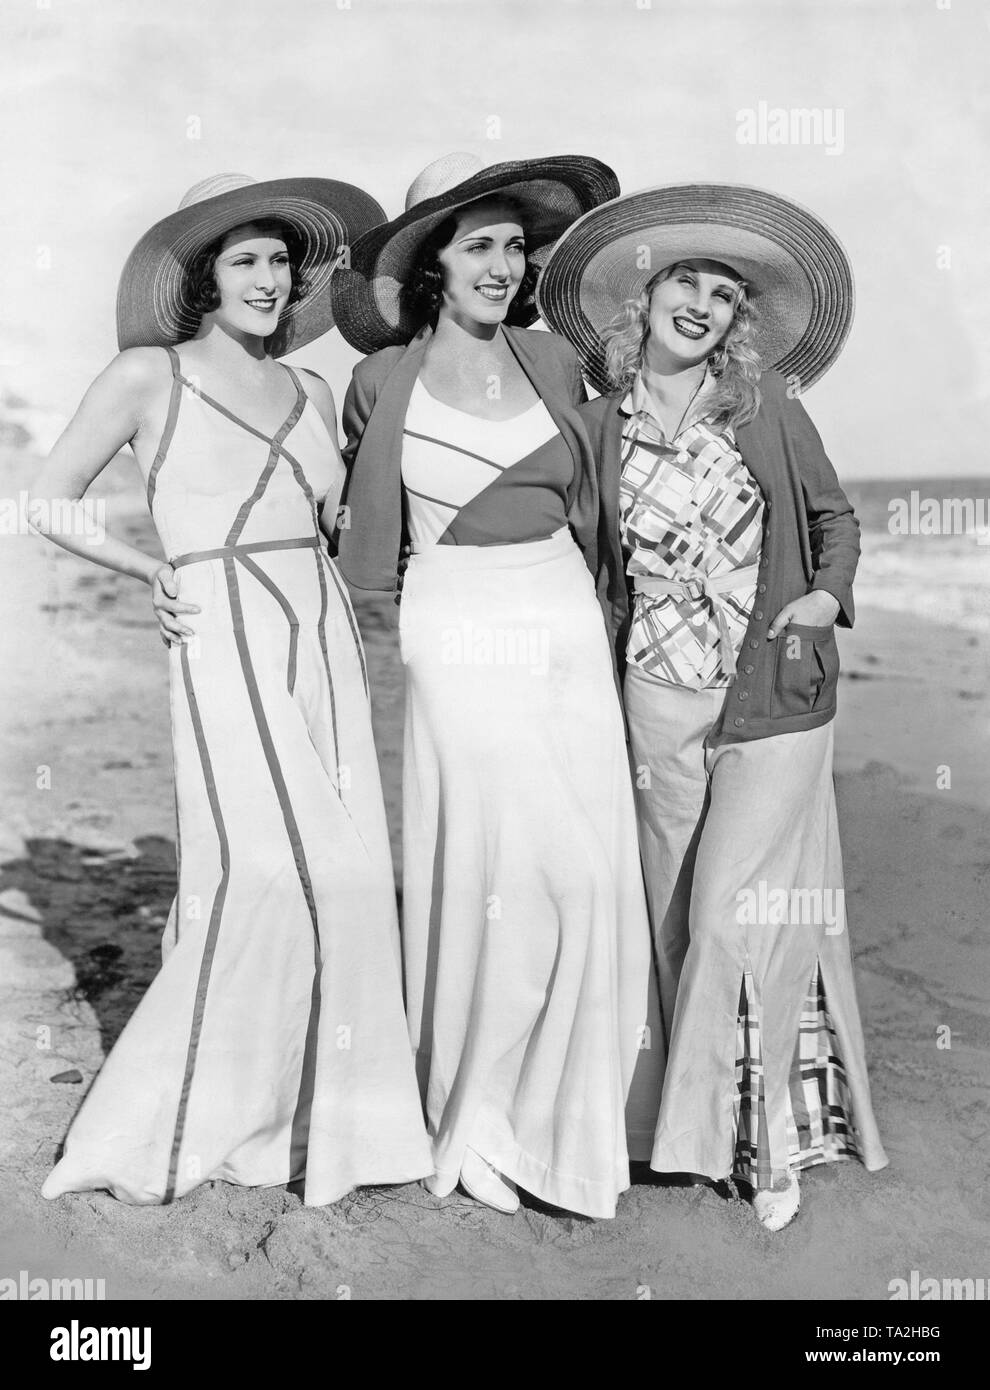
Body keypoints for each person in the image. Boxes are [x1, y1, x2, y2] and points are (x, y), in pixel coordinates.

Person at [31, 173, 433, 1205]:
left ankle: (316, 1125)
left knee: (334, 870)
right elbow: (48, 499)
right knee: (278, 872)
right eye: (243, 260)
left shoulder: (309, 391)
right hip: (221, 630)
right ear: (205, 276)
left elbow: (353, 523)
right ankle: (177, 1126)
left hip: (324, 634)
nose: (266, 279)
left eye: (277, 261)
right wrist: (149, 571)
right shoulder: (146, 374)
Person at [538, 182, 889, 1231]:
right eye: (688, 280)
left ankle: (774, 1140)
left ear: (741, 322)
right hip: (653, 695)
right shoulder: (597, 426)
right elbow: (557, 540)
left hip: (776, 692)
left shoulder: (768, 407)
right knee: (673, 922)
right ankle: (681, 1132)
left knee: (735, 919)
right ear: (644, 298)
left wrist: (825, 599)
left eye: (726, 293)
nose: (704, 303)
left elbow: (833, 518)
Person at [331, 153, 663, 1218]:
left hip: (561, 617)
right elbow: (340, 508)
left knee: (583, 874)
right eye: (478, 244)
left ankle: (555, 1128)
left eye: (515, 247)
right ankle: (474, 1115)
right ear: (433, 263)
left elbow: (637, 458)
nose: (502, 264)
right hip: (454, 623)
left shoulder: (557, 361)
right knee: (510, 869)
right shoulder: (379, 381)